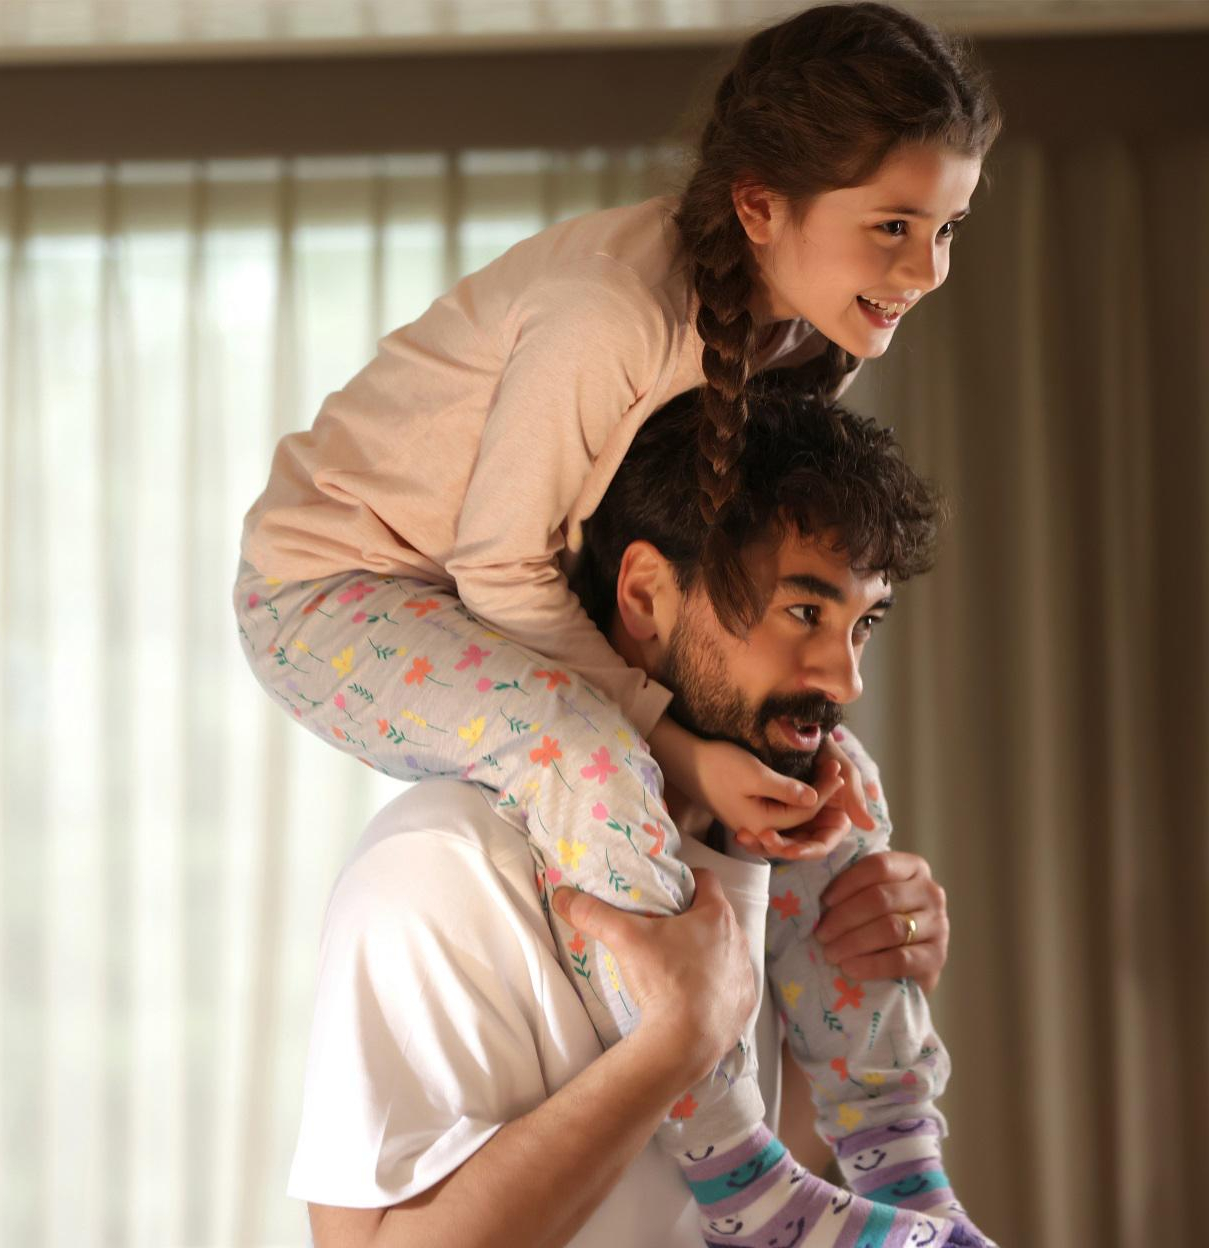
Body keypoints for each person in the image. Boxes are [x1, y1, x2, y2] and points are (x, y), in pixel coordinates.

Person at [235, 5, 1001, 1242]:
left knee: (830, 779)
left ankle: (903, 1163)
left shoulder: (802, 328)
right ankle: (740, 1177)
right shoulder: (609, 315)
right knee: (588, 759)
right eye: (893, 226)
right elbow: (500, 566)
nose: (926, 271)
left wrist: (834, 889)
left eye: (947, 227)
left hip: (512, 597)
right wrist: (683, 753)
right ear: (761, 207)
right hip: (342, 592)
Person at [289, 385, 979, 1246]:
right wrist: (674, 1045)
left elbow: (756, 1216)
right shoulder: (439, 865)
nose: (846, 680)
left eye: (862, 623)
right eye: (803, 612)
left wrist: (866, 970)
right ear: (647, 595)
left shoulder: (747, 854)